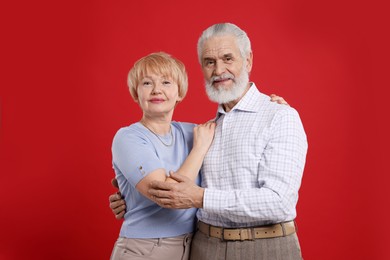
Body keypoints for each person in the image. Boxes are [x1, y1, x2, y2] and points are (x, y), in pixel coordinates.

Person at [110, 22, 305, 260]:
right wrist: (129, 196)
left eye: (227, 58)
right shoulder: (206, 131)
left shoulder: (277, 115)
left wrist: (200, 197)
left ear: (248, 60)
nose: (218, 69)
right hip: (203, 247)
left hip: (264, 246)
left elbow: (280, 201)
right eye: (209, 62)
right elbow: (159, 184)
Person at [110, 51, 216, 260]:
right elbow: (168, 195)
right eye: (147, 83)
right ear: (135, 93)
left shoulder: (190, 132)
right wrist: (199, 149)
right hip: (143, 249)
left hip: (192, 245)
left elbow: (235, 128)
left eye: (166, 82)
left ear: (180, 93)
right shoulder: (128, 137)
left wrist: (274, 107)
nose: (157, 89)